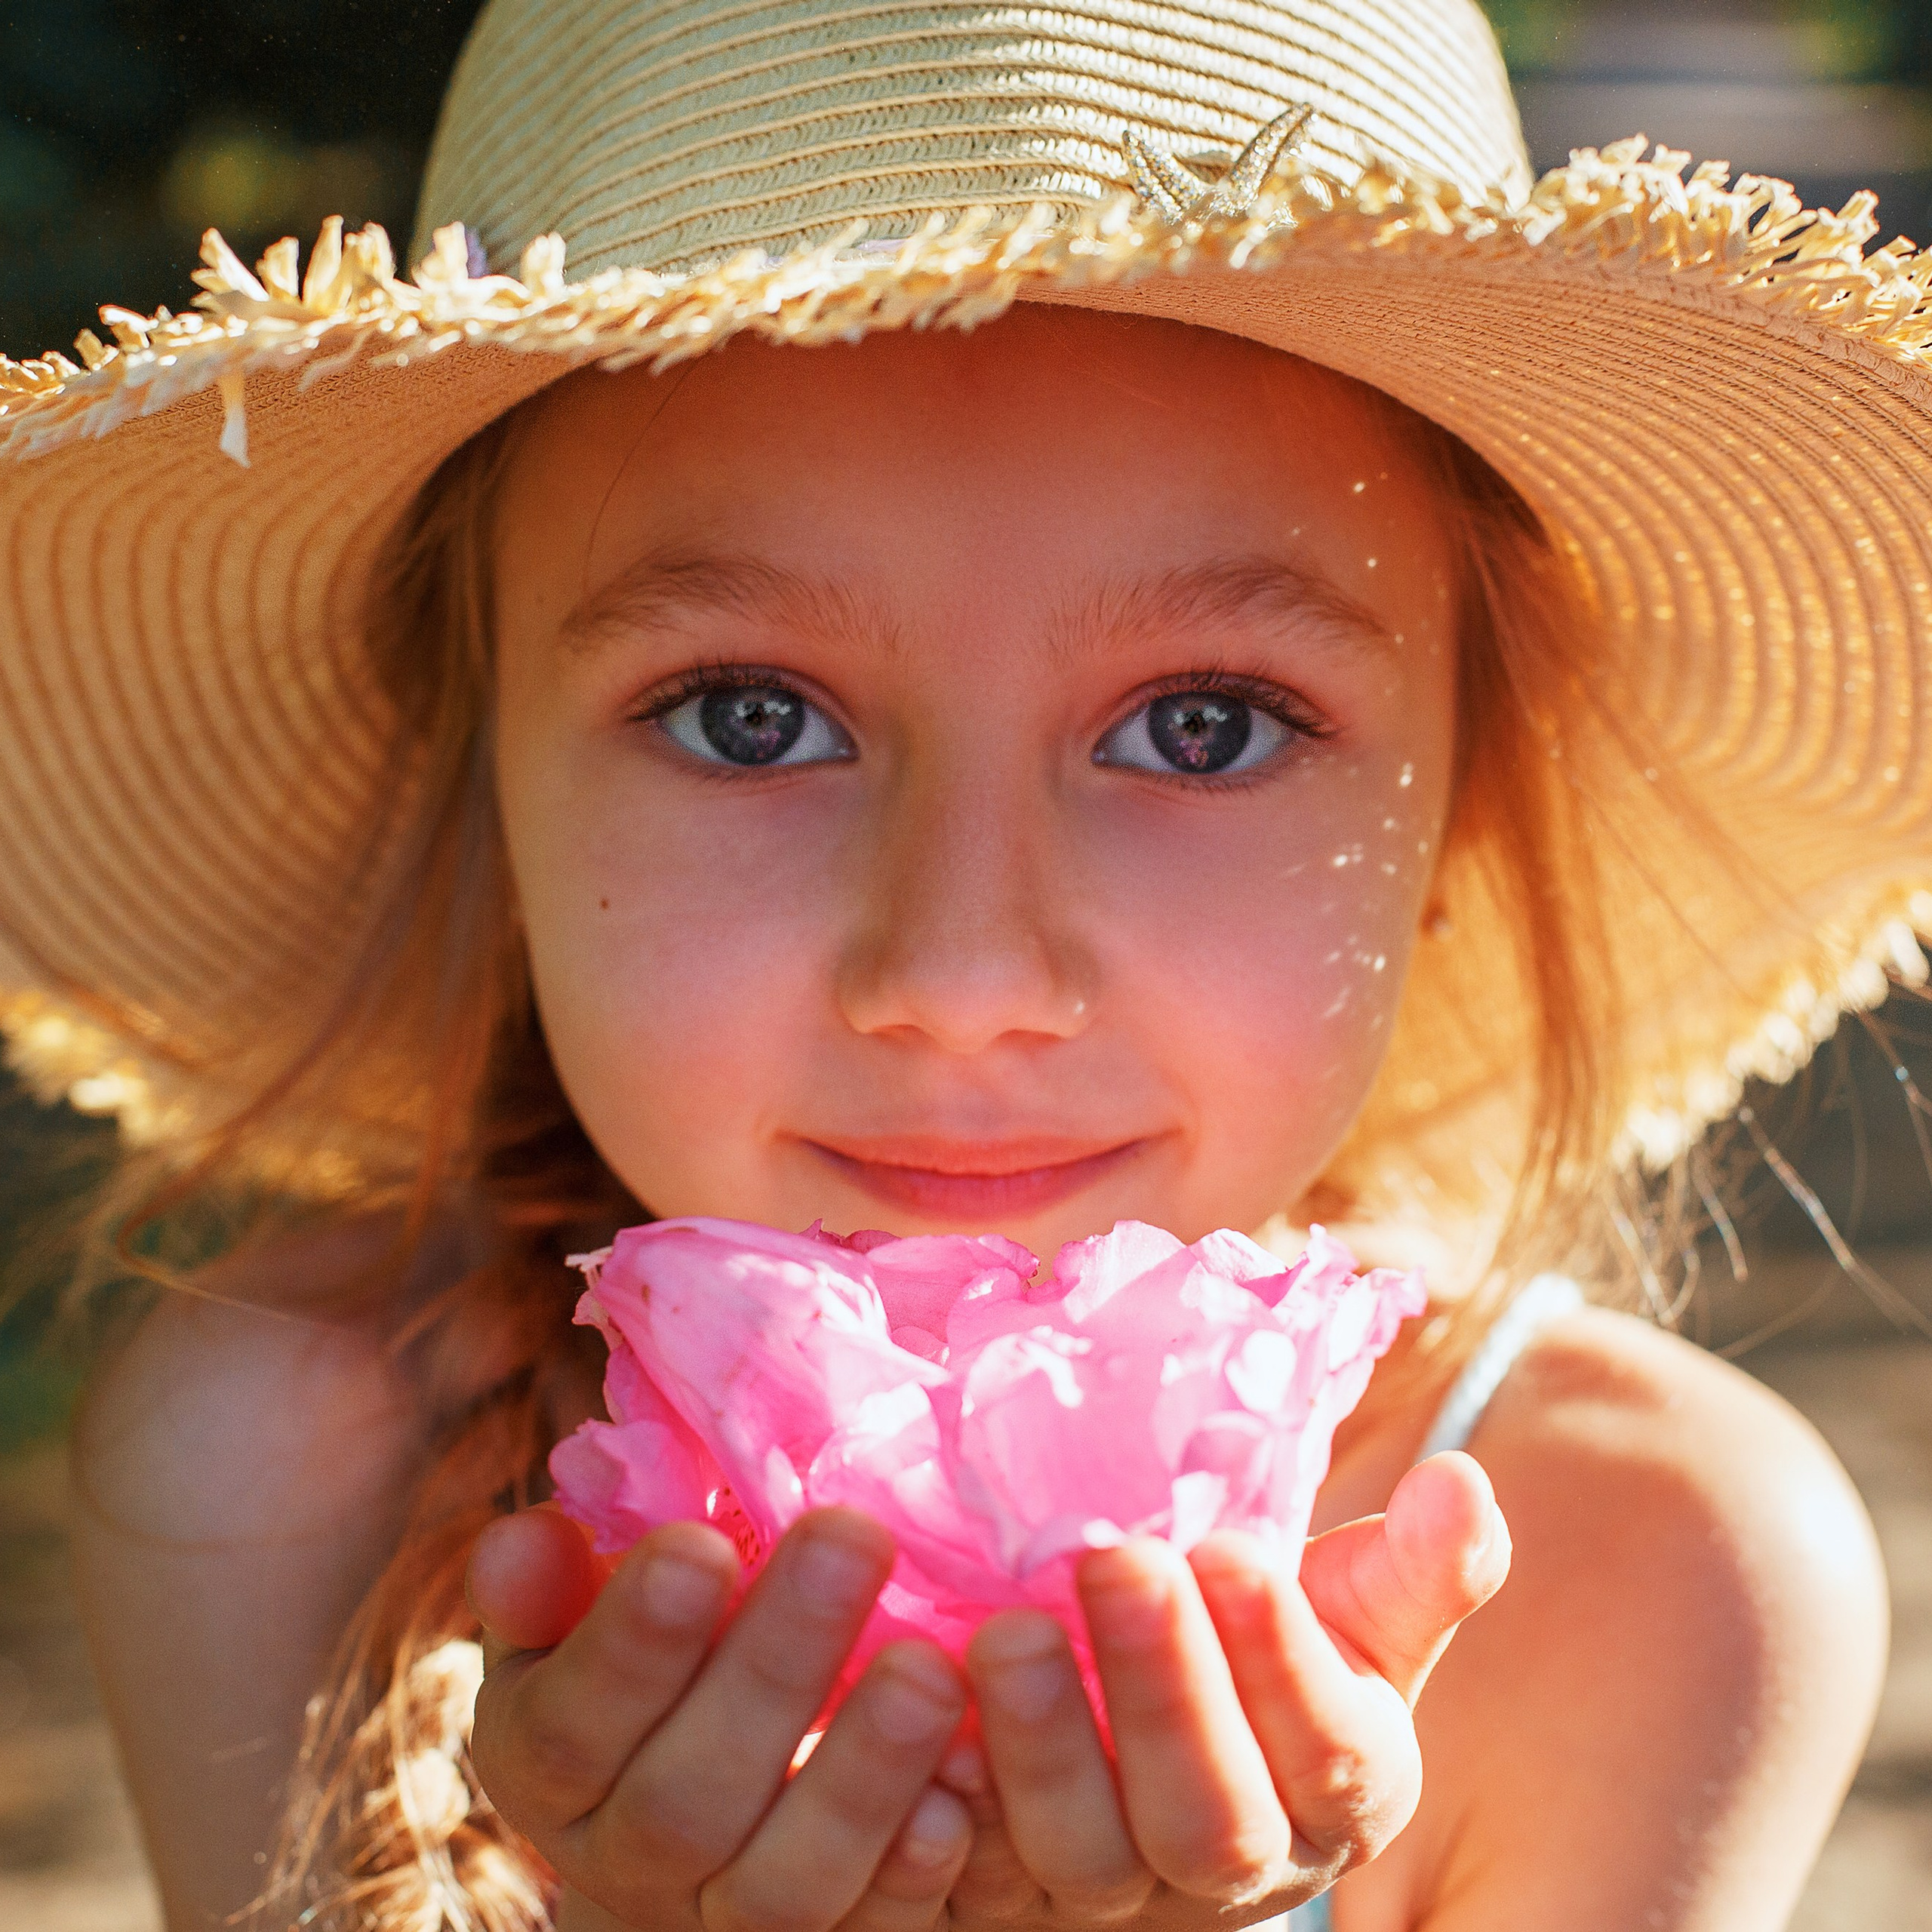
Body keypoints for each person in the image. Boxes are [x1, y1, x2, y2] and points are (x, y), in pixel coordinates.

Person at [1, 0, 1918, 1924]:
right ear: (480, 777)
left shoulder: (1652, 1574)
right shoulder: (276, 1469)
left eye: (1201, 724)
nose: (963, 970)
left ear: (1462, 806)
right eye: (748, 715)